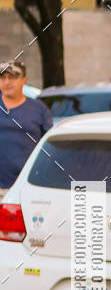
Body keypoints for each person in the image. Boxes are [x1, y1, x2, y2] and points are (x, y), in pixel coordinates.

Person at [0, 60, 52, 197]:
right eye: (3, 77)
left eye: (13, 77)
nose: (7, 82)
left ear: (24, 80)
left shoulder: (39, 109)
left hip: (26, 188)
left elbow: (49, 147)